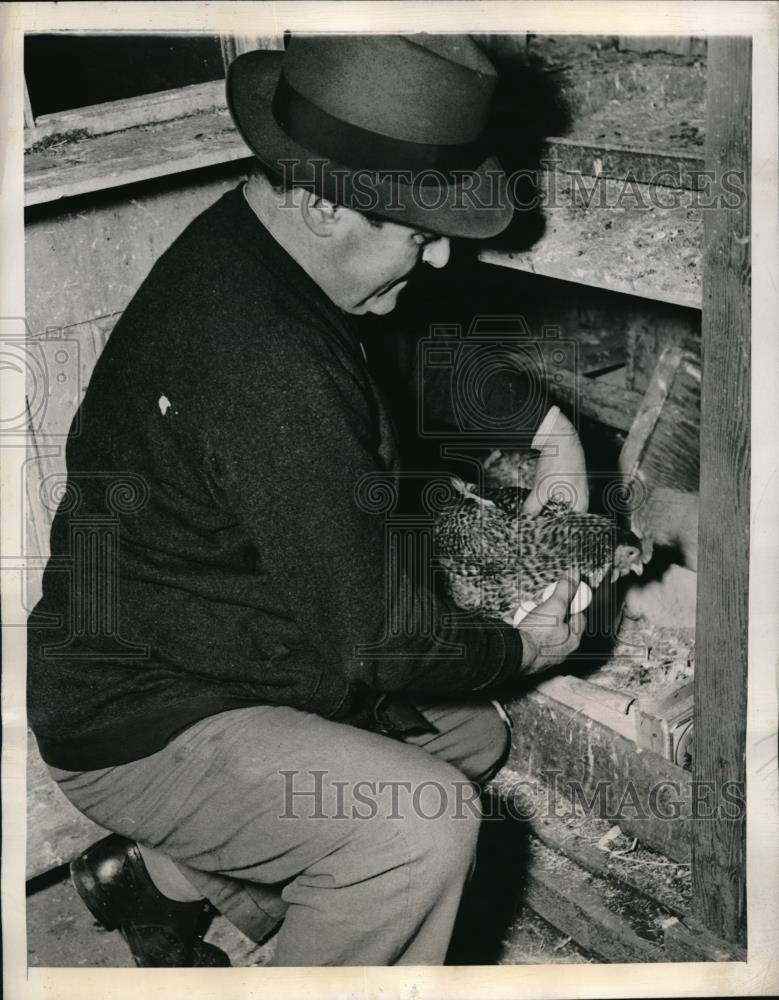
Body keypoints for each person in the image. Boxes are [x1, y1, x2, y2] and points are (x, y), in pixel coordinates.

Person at [27, 34, 585, 967]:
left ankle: (152, 882)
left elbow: (402, 359)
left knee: (470, 738)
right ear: (325, 202)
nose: (439, 259)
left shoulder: (269, 247)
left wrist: (546, 430)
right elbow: (384, 642)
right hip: (143, 713)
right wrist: (524, 643)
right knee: (423, 823)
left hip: (232, 644)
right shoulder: (261, 365)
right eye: (417, 233)